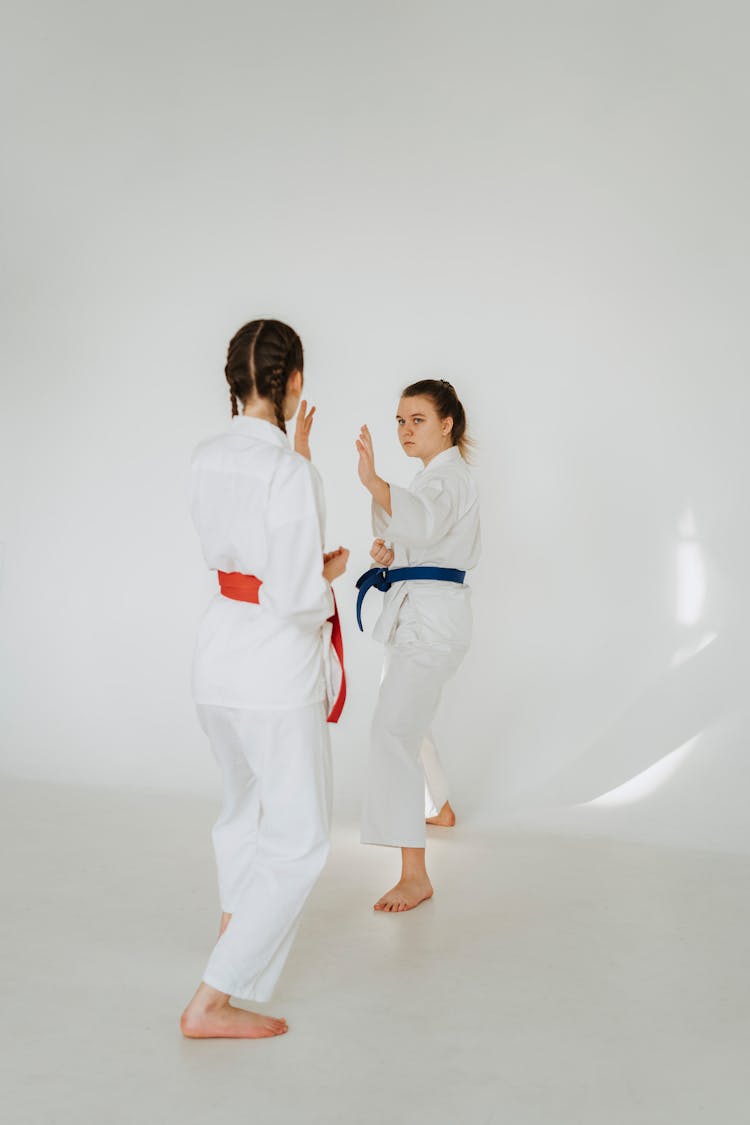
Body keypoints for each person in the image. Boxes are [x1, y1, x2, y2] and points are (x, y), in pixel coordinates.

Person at [180, 319, 349, 1039]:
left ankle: (231, 940)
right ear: (295, 382)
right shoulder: (288, 472)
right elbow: (296, 596)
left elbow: (246, 558)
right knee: (301, 838)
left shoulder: (205, 456)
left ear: (234, 380)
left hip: (217, 658)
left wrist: (300, 465)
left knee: (240, 812)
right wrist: (327, 574)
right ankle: (211, 999)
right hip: (273, 673)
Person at [355, 379, 481, 912]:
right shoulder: (431, 478)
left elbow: (425, 522)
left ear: (446, 423)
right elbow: (418, 532)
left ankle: (414, 874)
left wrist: (373, 482)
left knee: (392, 730)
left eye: (418, 420)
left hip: (432, 622)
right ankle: (441, 808)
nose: (406, 431)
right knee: (408, 718)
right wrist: (390, 553)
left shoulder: (450, 477)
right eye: (401, 422)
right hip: (419, 615)